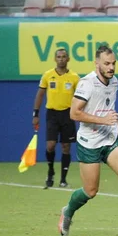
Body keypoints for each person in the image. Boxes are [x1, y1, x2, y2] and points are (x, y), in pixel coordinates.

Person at [58, 45, 118, 236]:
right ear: (97, 63)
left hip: (109, 138)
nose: (111, 67)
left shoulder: (114, 82)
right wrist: (103, 121)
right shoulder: (87, 84)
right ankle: (68, 211)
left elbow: (108, 107)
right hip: (89, 143)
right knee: (91, 191)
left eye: (114, 63)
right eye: (107, 63)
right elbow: (74, 113)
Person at [32, 48, 80, 188]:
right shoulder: (48, 75)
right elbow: (40, 94)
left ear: (68, 59)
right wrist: (36, 113)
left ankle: (63, 179)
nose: (61, 59)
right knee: (51, 145)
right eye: (58, 57)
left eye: (64, 57)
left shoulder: (74, 77)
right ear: (55, 59)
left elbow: (81, 97)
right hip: (52, 113)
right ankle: (51, 171)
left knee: (66, 146)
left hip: (68, 114)